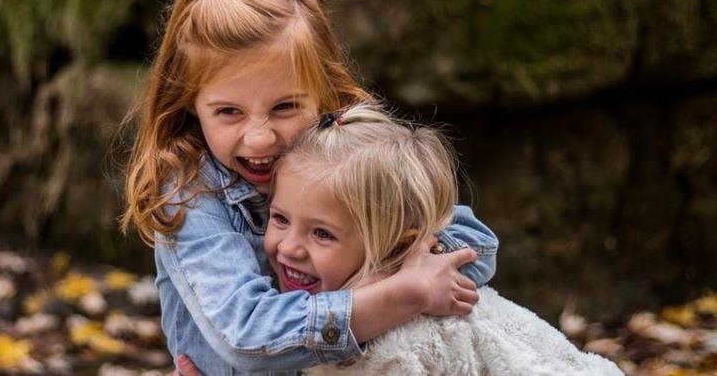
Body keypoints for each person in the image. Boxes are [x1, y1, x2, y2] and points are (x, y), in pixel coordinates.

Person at [121, 0, 499, 375]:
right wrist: (397, 294)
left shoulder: (347, 155)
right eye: (229, 112)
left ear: (322, 92)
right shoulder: (191, 192)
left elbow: (474, 244)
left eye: (285, 107)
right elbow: (247, 336)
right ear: (191, 106)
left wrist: (396, 273)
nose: (261, 137)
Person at [264, 104, 623, 375]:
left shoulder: (409, 344)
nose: (288, 247)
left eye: (322, 234)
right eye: (280, 219)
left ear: (398, 246)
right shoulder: (321, 306)